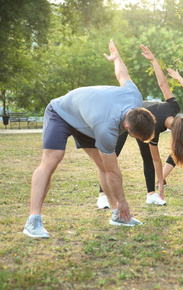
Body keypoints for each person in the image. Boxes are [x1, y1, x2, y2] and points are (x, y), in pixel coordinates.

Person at [23, 40, 156, 238]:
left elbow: (122, 75)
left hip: (86, 118)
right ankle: (33, 221)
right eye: (135, 137)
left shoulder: (134, 96)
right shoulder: (106, 128)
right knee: (52, 159)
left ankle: (117, 216)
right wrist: (123, 201)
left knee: (103, 164)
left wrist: (116, 58)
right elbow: (114, 171)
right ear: (127, 127)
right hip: (61, 112)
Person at [97, 44, 183, 207]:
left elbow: (163, 84)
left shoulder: (173, 108)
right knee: (114, 155)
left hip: (139, 118)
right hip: (125, 116)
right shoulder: (153, 130)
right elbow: (157, 160)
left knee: (145, 158)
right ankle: (102, 196)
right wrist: (162, 186)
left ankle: (151, 194)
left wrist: (154, 61)